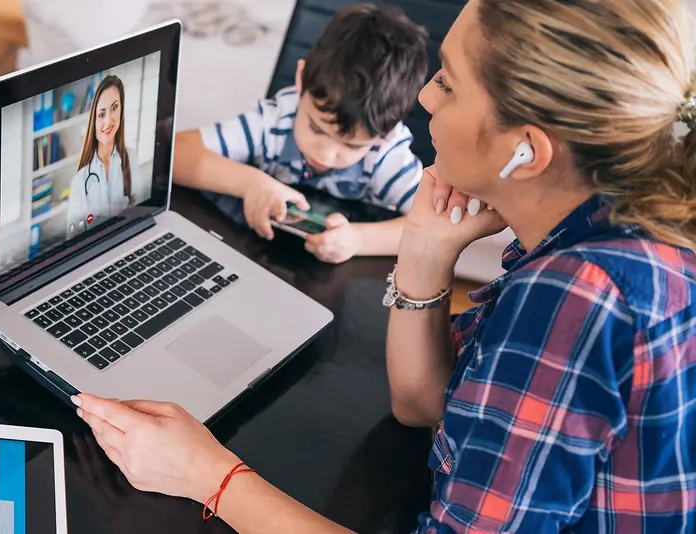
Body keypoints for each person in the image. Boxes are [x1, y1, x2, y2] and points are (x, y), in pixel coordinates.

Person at [75, 0, 696, 531]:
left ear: (525, 151)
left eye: (447, 83)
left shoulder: (581, 296)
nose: (424, 98)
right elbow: (426, 405)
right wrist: (426, 248)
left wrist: (206, 475)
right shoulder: (604, 233)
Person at [172, 4, 429, 263]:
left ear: (386, 131)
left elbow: (435, 226)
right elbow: (176, 152)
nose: (326, 155)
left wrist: (360, 240)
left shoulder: (386, 154)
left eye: (352, 146)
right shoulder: (273, 123)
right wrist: (251, 184)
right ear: (301, 79)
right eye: (317, 128)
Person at [66, 75, 136, 236]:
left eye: (114, 108)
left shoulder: (130, 160)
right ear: (94, 121)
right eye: (101, 114)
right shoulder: (80, 181)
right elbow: (71, 240)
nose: (108, 120)